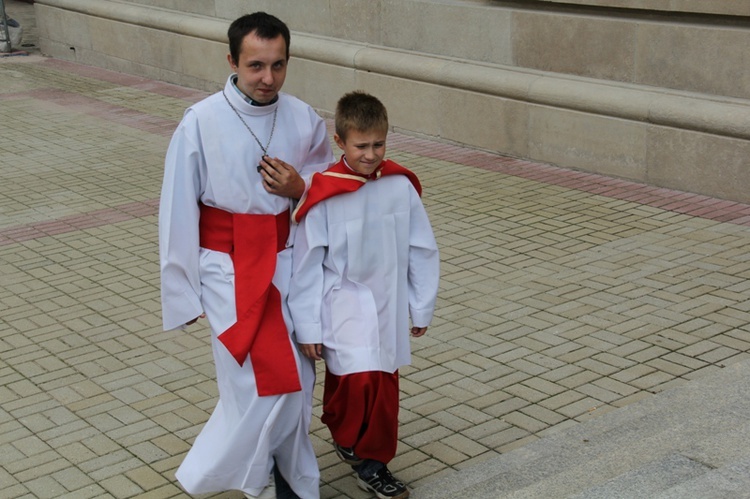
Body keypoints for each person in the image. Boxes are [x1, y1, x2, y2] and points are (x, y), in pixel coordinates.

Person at [158, 12, 334, 499]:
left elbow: (330, 193)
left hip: (287, 260)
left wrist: (302, 187)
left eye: (279, 65)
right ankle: (225, 475)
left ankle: (289, 484)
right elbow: (176, 209)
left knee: (295, 382)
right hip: (226, 266)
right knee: (255, 386)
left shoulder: (302, 116)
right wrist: (182, 292)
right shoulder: (201, 120)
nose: (268, 78)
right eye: (256, 65)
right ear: (232, 59)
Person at [288, 91, 440, 499]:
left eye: (379, 144)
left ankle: (375, 465)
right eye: (361, 146)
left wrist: (420, 305)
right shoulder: (323, 194)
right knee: (352, 383)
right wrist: (307, 325)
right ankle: (345, 434)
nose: (371, 155)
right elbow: (305, 266)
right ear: (340, 142)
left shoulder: (398, 186)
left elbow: (422, 248)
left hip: (388, 300)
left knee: (383, 387)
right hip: (343, 303)